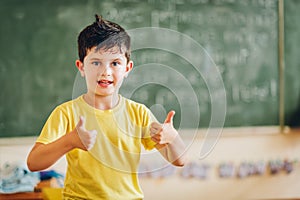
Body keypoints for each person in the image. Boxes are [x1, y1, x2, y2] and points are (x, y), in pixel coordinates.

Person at [27, 14, 187, 200]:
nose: (106, 71)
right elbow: (33, 163)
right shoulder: (66, 113)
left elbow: (180, 160)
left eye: (115, 63)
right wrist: (70, 140)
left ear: (127, 68)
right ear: (81, 67)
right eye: (96, 62)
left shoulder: (138, 113)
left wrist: (172, 137)